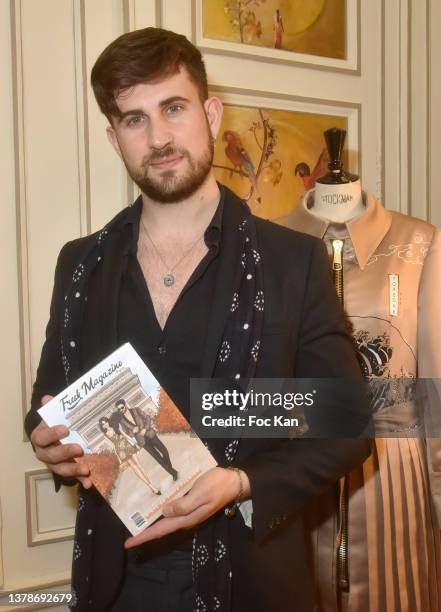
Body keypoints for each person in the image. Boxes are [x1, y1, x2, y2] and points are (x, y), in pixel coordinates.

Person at [24, 27, 370, 612]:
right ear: (114, 138)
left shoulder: (293, 261)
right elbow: (50, 396)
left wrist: (240, 483)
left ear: (210, 113)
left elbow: (352, 421)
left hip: (251, 584)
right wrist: (46, 441)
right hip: (113, 584)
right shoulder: (79, 262)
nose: (158, 137)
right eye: (134, 120)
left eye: (173, 108)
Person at [110, 398, 178, 480]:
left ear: (125, 405)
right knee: (158, 458)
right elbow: (127, 433)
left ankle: (170, 468)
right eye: (119, 409)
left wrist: (145, 429)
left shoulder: (136, 410)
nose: (121, 410)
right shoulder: (122, 421)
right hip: (142, 441)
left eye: (122, 407)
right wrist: (133, 432)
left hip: (150, 434)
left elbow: (148, 418)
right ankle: (173, 473)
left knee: (164, 450)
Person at [98, 416, 161, 495]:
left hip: (127, 445)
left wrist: (134, 442)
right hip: (121, 451)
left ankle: (152, 487)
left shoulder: (116, 427)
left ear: (108, 421)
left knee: (139, 465)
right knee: (135, 467)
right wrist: (118, 458)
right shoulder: (105, 435)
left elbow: (124, 435)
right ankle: (152, 487)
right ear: (102, 426)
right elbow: (113, 446)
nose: (105, 425)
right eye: (103, 424)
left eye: (105, 422)